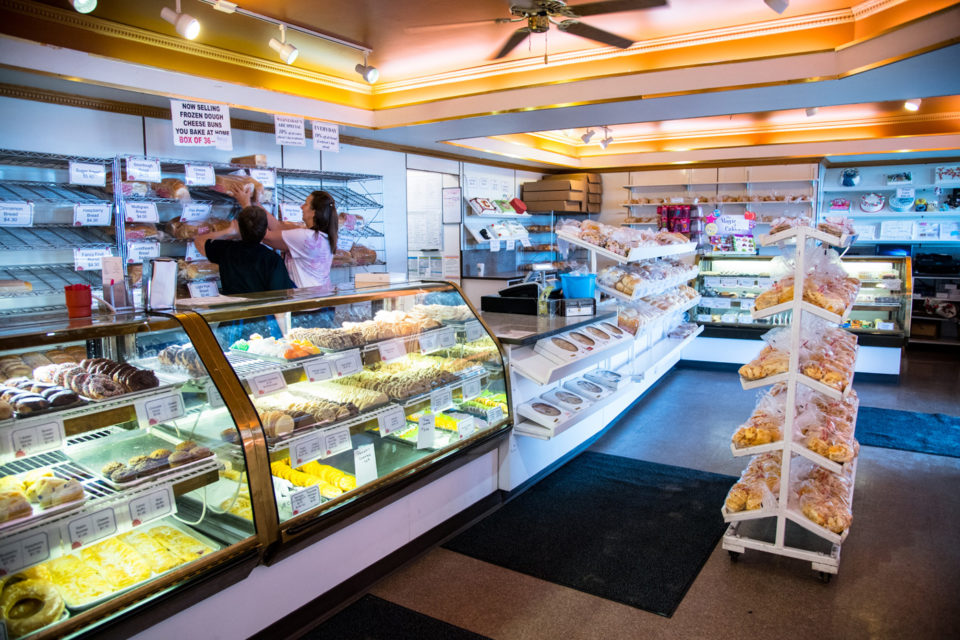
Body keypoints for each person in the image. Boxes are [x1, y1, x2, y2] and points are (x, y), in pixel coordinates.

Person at [232, 186, 337, 291]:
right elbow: (277, 226)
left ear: (314, 212)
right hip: (320, 295)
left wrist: (245, 204)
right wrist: (255, 203)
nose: (301, 207)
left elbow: (263, 235)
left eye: (306, 204)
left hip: (305, 298)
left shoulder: (306, 237)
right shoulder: (322, 237)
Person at [194, 204, 294, 295]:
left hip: (232, 308)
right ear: (265, 231)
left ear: (240, 228)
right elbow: (282, 296)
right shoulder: (273, 260)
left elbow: (199, 241)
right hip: (261, 309)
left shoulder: (226, 249)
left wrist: (229, 231)